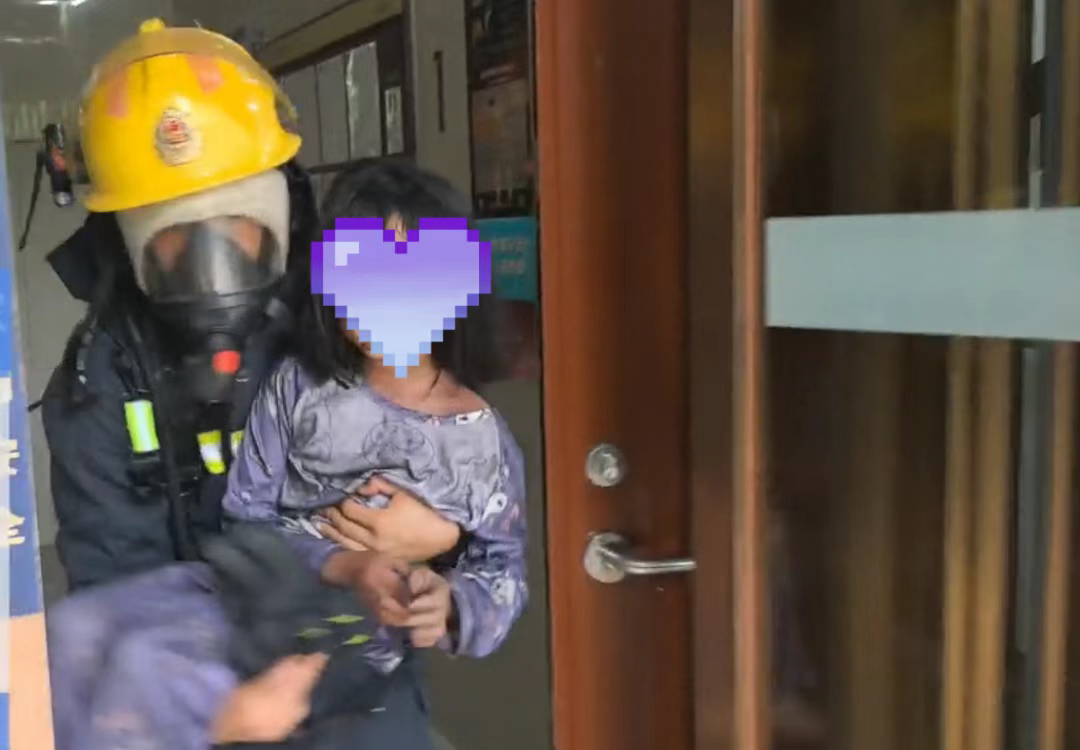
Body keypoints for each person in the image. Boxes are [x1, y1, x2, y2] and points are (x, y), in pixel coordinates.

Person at [42, 19, 467, 749]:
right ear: (124, 241)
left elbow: (465, 475)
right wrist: (218, 696)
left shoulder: (352, 320)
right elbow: (112, 598)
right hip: (219, 708)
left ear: (284, 206)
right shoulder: (99, 384)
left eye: (237, 223)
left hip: (368, 696)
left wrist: (441, 539)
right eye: (174, 235)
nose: (212, 265)